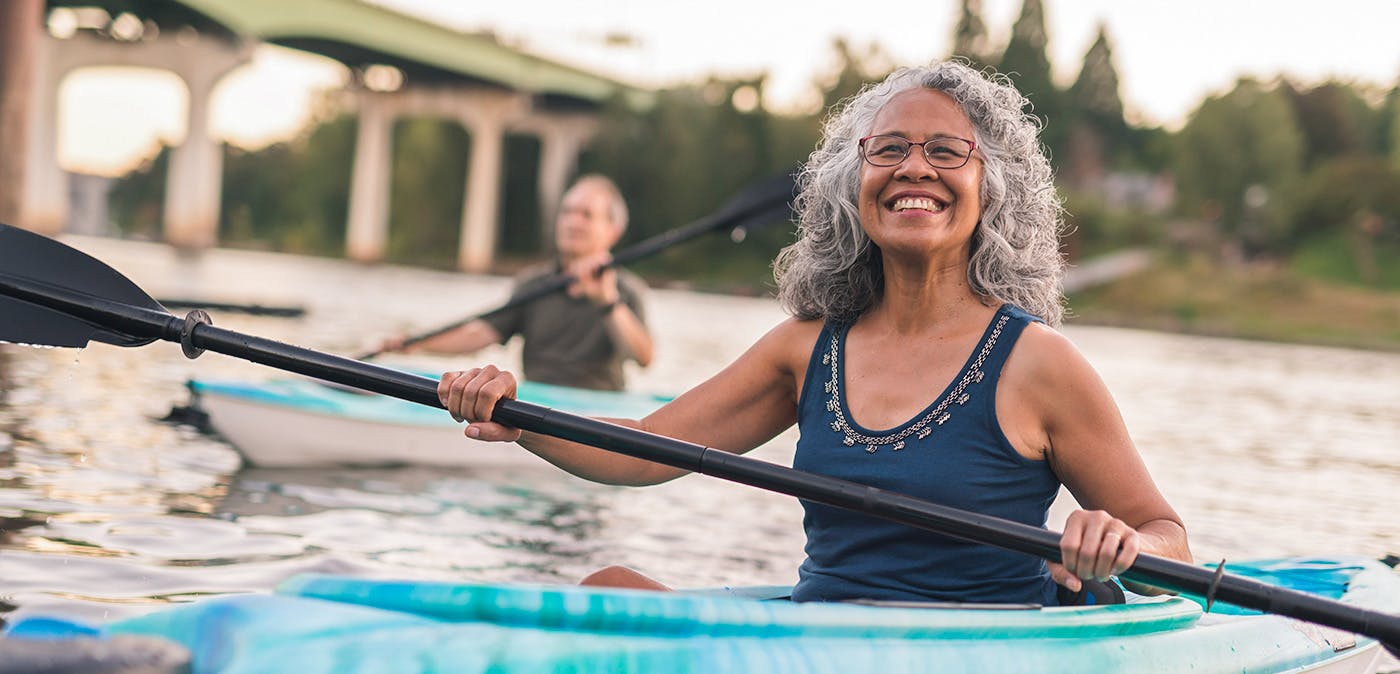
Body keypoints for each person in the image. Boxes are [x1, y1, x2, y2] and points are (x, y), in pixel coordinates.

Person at [436, 62, 1192, 605]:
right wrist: (515, 413)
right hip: (817, 642)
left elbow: (1167, 535)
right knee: (605, 591)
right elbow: (639, 449)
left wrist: (1121, 546)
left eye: (945, 150)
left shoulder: (1040, 363)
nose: (913, 168)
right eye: (888, 148)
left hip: (971, 648)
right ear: (851, 182)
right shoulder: (805, 348)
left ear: (991, 186)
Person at [385, 174, 653, 392]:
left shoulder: (627, 290)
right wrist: (417, 342)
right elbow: (479, 334)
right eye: (567, 212)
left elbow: (643, 358)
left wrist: (607, 302)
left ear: (613, 230)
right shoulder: (533, 282)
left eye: (586, 215)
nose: (573, 222)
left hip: (599, 409)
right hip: (538, 401)